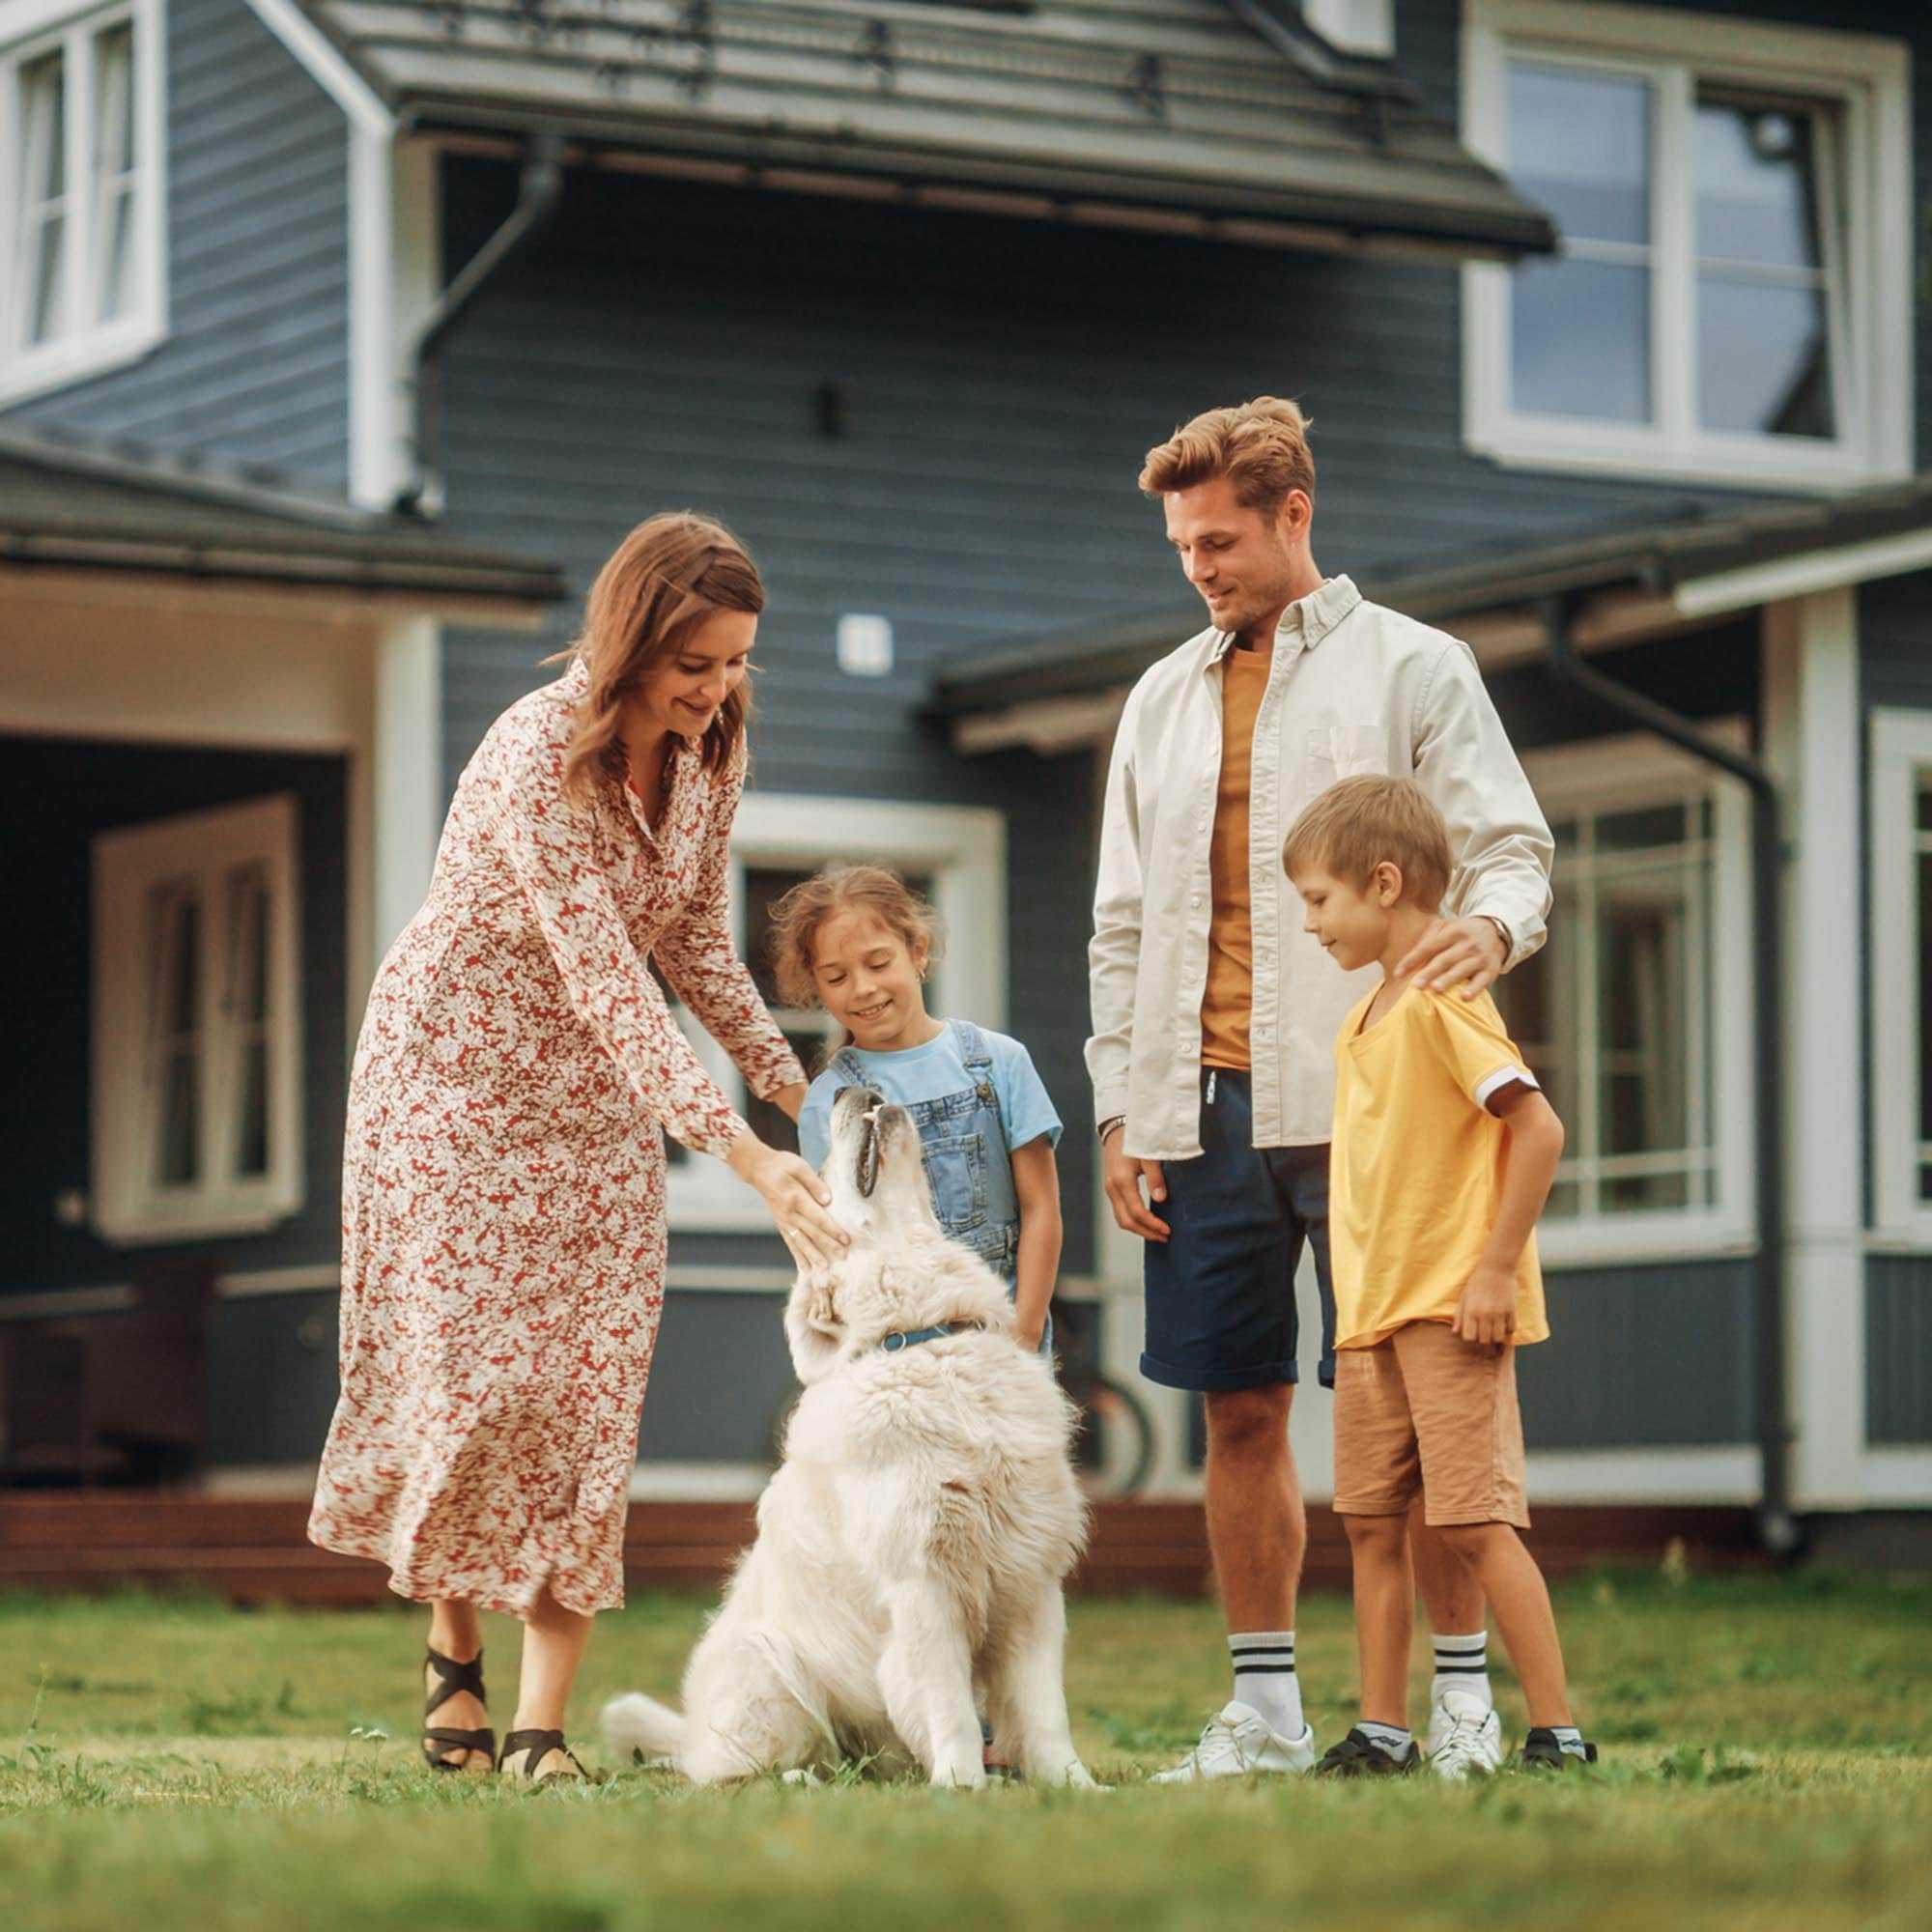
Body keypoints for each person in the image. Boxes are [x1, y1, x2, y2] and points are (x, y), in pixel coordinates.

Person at [308, 513, 847, 1784]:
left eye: (733, 664)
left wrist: (797, 1092)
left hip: (600, 1104)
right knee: (476, 1387)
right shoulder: (531, 752)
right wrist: (745, 1155)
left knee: (587, 1395)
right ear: (634, 638)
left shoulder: (712, 754)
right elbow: (607, 975)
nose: (714, 691)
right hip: (455, 1093)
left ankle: (545, 1728)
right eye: (694, 663)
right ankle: (454, 1663)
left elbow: (691, 943)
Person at [1089, 397, 1554, 1780]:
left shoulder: (1418, 667)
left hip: (1386, 1115)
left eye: (1219, 539)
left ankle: (1458, 1704)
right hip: (1200, 1111)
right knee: (1238, 1409)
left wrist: (1500, 926)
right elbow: (1121, 923)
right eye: (1181, 546)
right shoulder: (1158, 699)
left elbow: (1510, 846)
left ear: (1296, 514)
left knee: (1422, 1425)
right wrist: (1123, 1107)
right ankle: (1269, 1715)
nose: (1199, 567)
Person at [1287, 775, 1596, 1776]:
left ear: (1383, 883)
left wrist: (1494, 1269)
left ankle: (1555, 1729)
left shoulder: (1439, 996)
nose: (1308, 922)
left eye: (1318, 899)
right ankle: (1382, 1729)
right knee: (1372, 1522)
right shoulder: (1363, 1015)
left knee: (1470, 1518)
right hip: (1369, 1312)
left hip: (1448, 1306)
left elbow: (1536, 1127)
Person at [778, 865, 1062, 1356]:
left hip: (1004, 1335)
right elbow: (841, 1245)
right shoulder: (830, 1101)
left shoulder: (998, 1061)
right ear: (817, 988)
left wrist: (1026, 1331)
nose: (863, 988)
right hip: (897, 1350)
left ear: (918, 952)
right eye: (837, 976)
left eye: (879, 962)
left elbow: (1041, 1208)